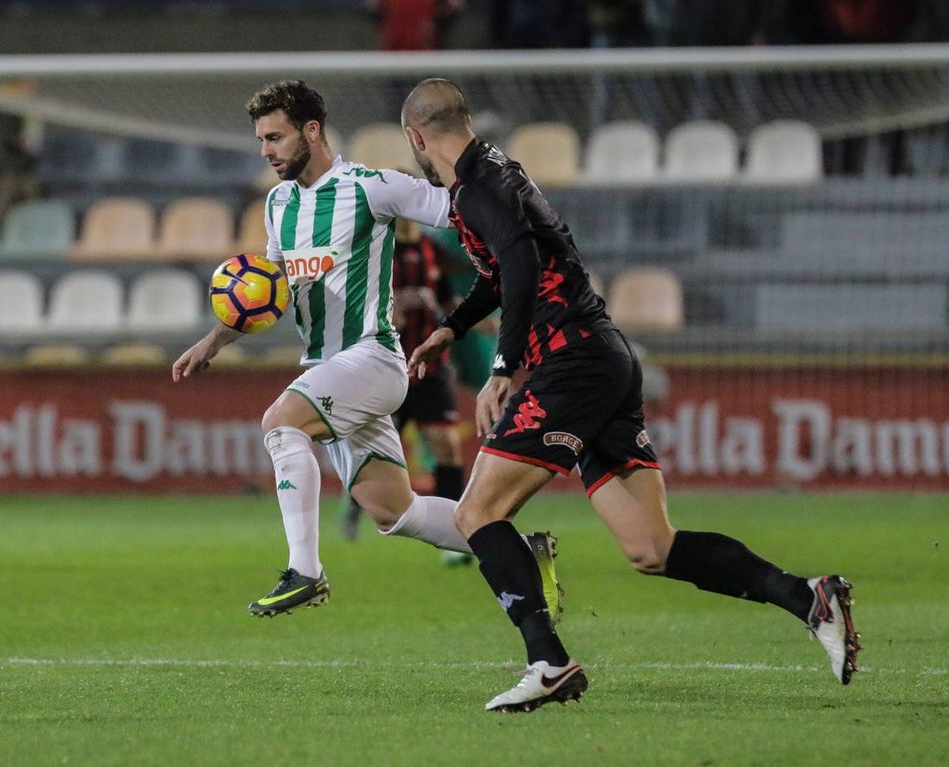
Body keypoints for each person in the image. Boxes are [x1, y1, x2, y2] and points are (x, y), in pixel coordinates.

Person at [400, 78, 861, 712]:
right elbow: (507, 269)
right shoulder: (494, 173)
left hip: (572, 366)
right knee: (651, 547)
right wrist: (452, 328)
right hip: (603, 358)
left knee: (475, 513)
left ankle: (548, 661)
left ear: (416, 138)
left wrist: (503, 365)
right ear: (465, 120)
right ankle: (808, 598)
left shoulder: (479, 188)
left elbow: (523, 264)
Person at [171, 80, 561, 619]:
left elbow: (456, 206)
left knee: (280, 422)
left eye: (276, 137)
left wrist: (520, 219)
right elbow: (270, 294)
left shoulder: (370, 187)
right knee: (392, 511)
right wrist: (214, 339)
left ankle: (304, 571)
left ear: (312, 131)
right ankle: (523, 549)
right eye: (261, 140)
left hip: (373, 357)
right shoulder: (279, 203)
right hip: (328, 367)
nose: (266, 150)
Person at [339, 217, 468, 547]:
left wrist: (476, 322)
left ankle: (457, 528)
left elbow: (446, 301)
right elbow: (349, 303)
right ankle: (355, 506)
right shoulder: (374, 251)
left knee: (447, 446)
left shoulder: (432, 251)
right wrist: (379, 314)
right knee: (378, 455)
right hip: (386, 368)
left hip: (430, 368)